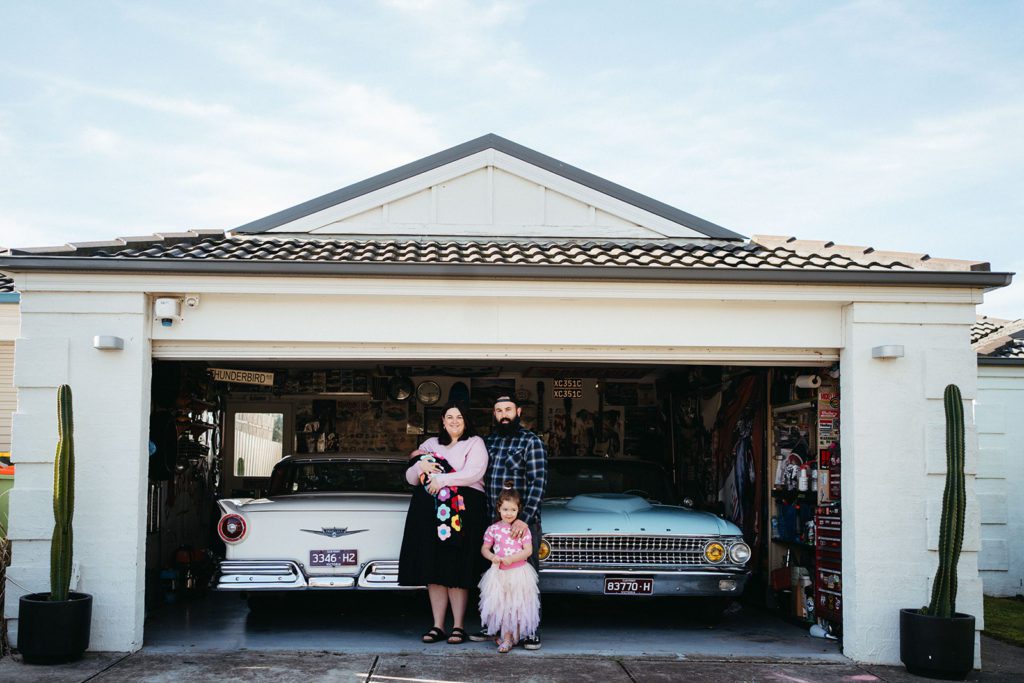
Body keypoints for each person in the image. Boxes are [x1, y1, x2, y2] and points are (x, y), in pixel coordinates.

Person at [398, 401, 489, 645]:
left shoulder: (475, 443)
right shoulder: (429, 445)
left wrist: (441, 478)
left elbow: (475, 473)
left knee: (456, 567)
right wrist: (419, 465)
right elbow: (410, 479)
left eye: (459, 416)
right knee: (434, 568)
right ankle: (438, 625)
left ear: (466, 420)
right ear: (442, 420)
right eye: (450, 416)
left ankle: (458, 626)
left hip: (463, 512)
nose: (454, 421)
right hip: (431, 513)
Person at [469, 395, 547, 650]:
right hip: (494, 522)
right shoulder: (488, 442)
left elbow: (538, 482)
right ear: (494, 413)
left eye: (508, 410)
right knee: (495, 579)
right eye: (499, 410)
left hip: (522, 523)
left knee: (525, 580)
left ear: (518, 411)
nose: (504, 414)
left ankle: (530, 629)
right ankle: (493, 625)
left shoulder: (530, 441)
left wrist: (524, 520)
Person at [478, 486, 541, 653]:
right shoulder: (493, 529)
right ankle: (506, 638)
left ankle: (516, 636)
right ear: (498, 508)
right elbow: (484, 548)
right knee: (504, 606)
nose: (508, 513)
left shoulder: (522, 529)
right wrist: (492, 557)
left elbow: (528, 550)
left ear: (518, 510)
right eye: (505, 509)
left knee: (518, 605)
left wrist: (511, 558)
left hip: (519, 572)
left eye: (513, 509)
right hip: (500, 574)